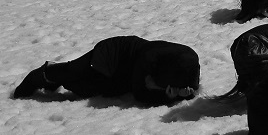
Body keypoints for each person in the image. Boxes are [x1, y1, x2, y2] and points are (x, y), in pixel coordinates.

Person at [11, 36, 199, 105]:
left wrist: (175, 94)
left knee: (86, 90)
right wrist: (162, 92)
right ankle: (45, 74)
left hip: (123, 77)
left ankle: (54, 80)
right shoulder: (152, 56)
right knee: (75, 72)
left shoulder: (189, 69)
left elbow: (142, 93)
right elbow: (140, 91)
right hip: (113, 54)